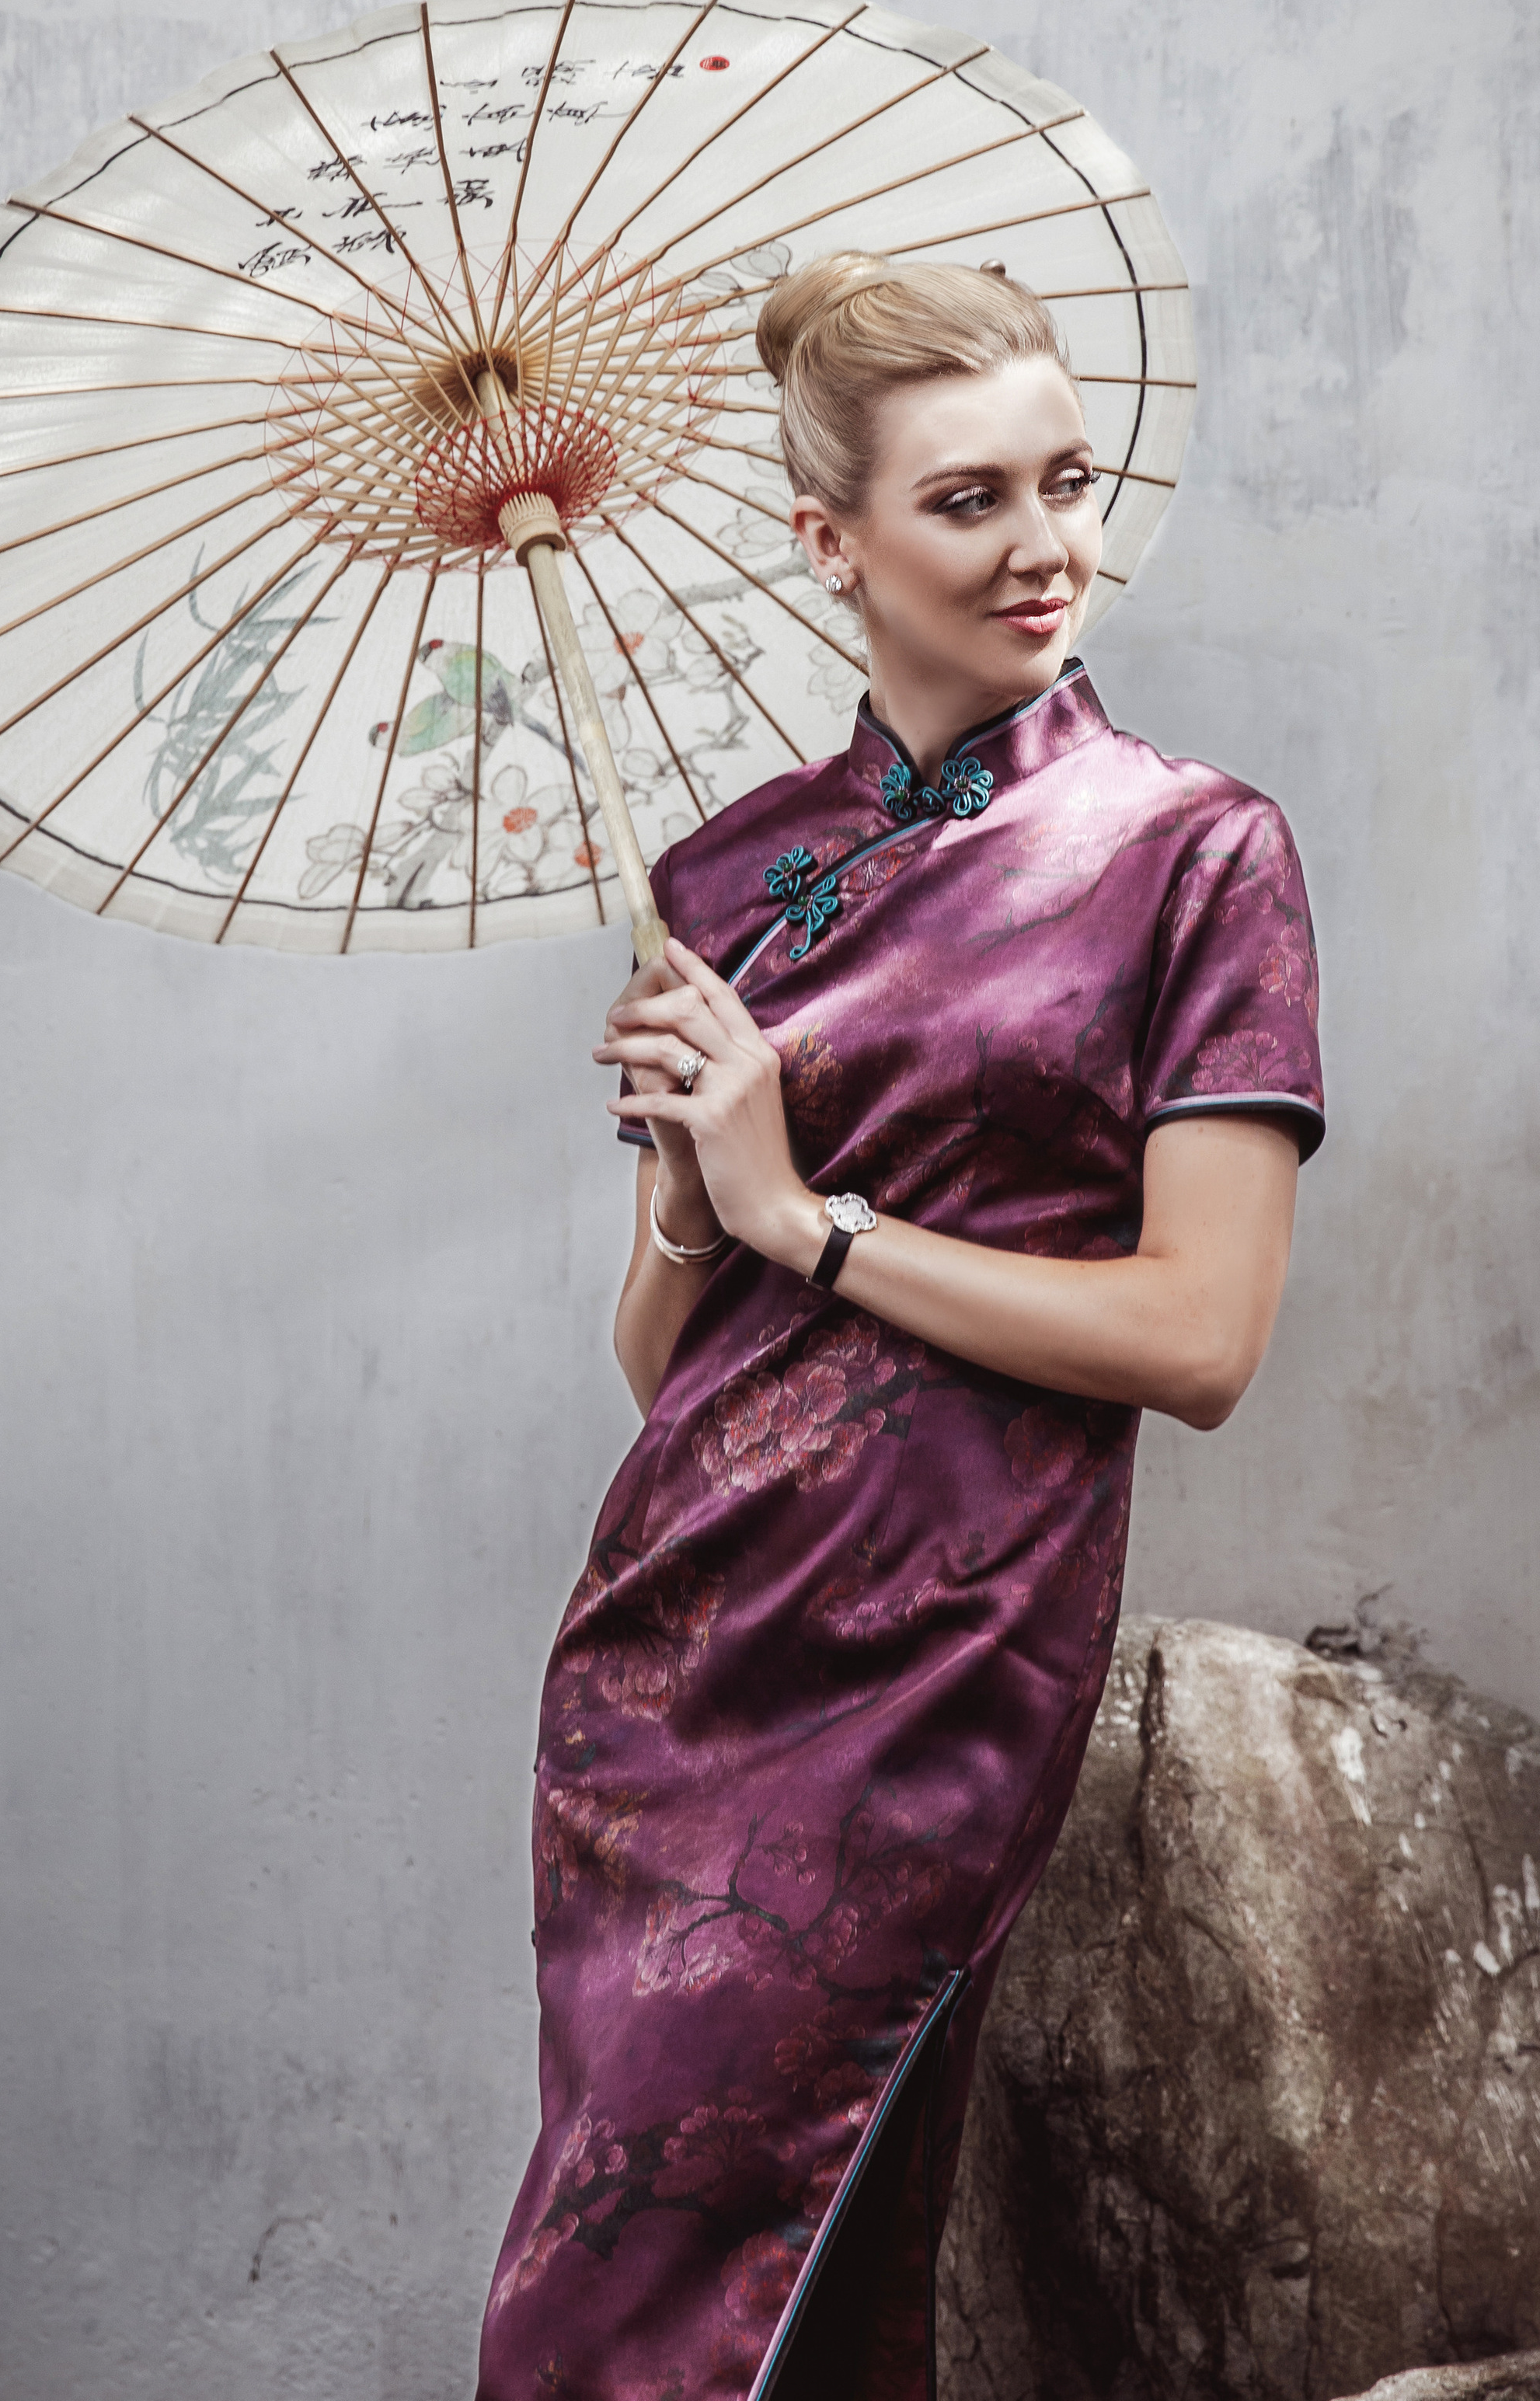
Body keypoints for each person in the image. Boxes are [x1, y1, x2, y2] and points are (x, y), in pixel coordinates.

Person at [473, 253, 1324, 2401]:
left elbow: (1201, 1336)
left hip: (937, 1659)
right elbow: (687, 1382)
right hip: (673, 1662)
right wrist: (688, 1214)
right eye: (971, 502)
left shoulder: (1190, 855)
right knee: (817, 2305)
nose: (1050, 546)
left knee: (663, 2315)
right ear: (828, 544)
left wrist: (806, 1211)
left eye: (1067, 478)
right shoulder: (734, 877)